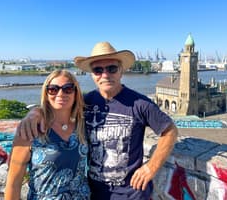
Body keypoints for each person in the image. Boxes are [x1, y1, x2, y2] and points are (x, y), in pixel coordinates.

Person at [18, 42, 178, 200]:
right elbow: (57, 107)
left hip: (132, 194)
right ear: (92, 75)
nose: (105, 75)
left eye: (112, 68)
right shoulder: (84, 102)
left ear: (121, 71)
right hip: (93, 193)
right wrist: (35, 112)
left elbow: (170, 130)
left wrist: (151, 167)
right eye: (98, 70)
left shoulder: (140, 103)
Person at [5, 70, 90, 199]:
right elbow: (13, 184)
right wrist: (36, 112)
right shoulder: (31, 129)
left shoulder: (82, 126)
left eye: (67, 89)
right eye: (53, 89)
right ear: (46, 93)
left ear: (76, 93)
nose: (60, 94)